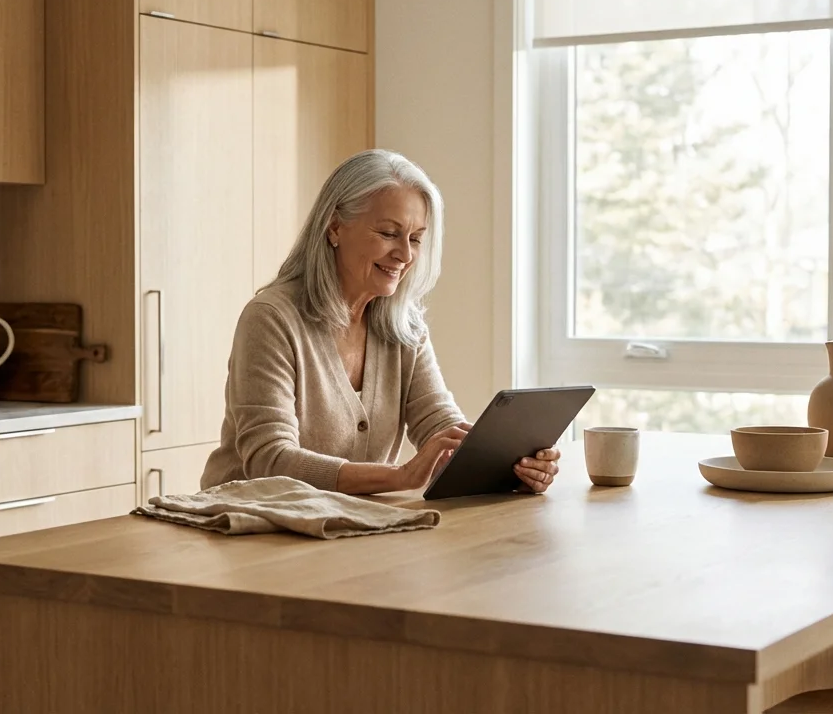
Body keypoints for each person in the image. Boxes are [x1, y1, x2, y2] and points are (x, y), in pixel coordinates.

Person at [199, 149, 561, 495]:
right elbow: (270, 460)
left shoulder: (405, 327)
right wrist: (399, 476)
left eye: (416, 239)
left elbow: (440, 425)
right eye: (388, 234)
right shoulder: (272, 318)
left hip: (344, 528)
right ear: (335, 227)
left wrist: (508, 466)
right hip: (248, 527)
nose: (405, 254)